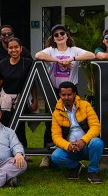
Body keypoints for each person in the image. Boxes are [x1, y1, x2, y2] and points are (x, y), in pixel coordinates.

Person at [35, 24, 95, 152]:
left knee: (74, 121)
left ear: (67, 35)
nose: (59, 36)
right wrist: (57, 60)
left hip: (72, 91)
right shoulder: (51, 51)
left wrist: (71, 59)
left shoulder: (74, 50)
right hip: (54, 91)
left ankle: (76, 149)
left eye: (62, 33)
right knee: (51, 123)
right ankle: (49, 154)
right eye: (56, 35)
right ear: (53, 38)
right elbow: (38, 55)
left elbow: (91, 55)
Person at [50, 81, 104, 184]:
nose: (66, 97)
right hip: (71, 149)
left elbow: (96, 127)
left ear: (74, 94)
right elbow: (56, 137)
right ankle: (76, 166)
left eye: (69, 94)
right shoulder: (56, 113)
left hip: (87, 146)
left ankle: (93, 172)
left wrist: (83, 141)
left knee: (97, 143)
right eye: (63, 95)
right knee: (55, 156)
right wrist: (68, 146)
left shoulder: (85, 105)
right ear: (60, 95)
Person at [0, 37, 36, 147]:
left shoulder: (27, 63)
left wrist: (35, 100)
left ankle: (23, 153)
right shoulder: (3, 63)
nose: (14, 50)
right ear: (7, 50)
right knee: (5, 127)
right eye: (11, 48)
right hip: (5, 101)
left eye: (16, 47)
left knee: (20, 129)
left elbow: (32, 83)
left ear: (21, 48)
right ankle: (6, 152)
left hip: (21, 101)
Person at [0, 24, 32, 94]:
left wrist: (34, 97)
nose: (7, 36)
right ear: (0, 36)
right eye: (4, 34)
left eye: (9, 34)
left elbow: (32, 70)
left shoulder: (24, 52)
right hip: (0, 90)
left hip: (21, 91)